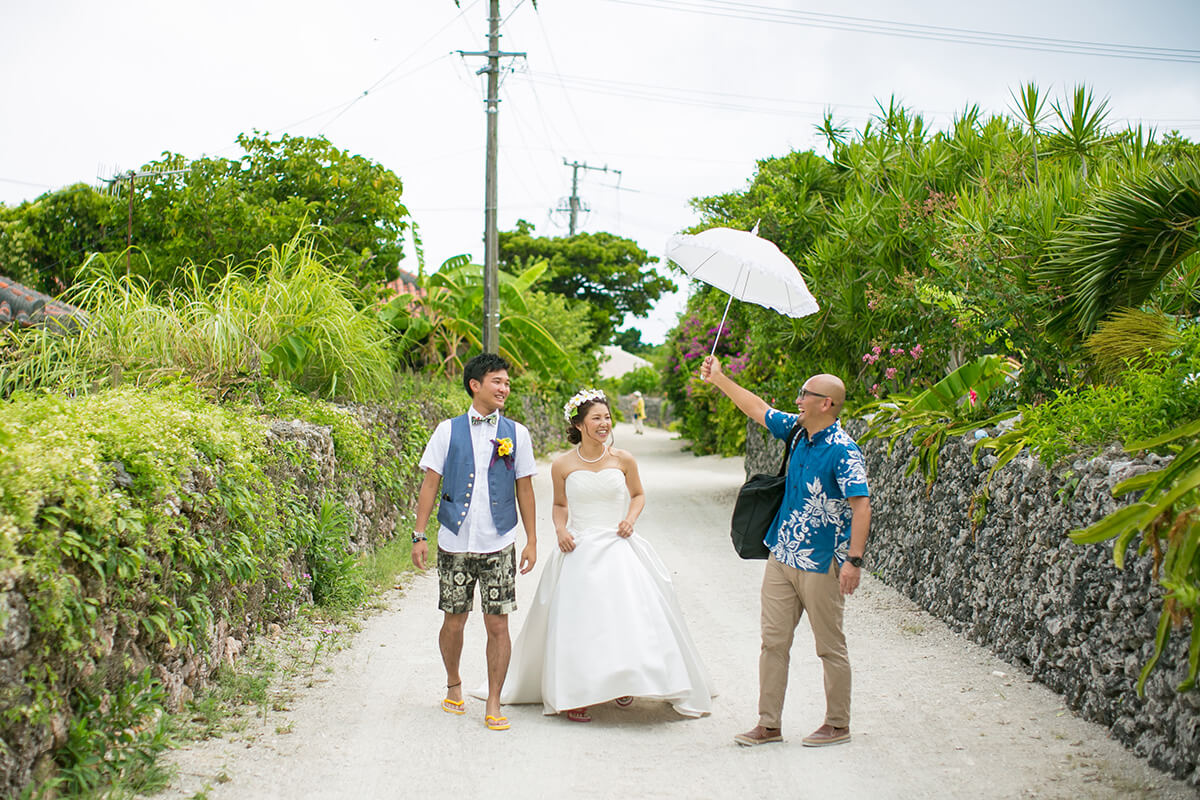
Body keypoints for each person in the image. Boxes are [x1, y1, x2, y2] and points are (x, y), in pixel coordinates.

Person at [476, 388, 714, 721]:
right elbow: (559, 505)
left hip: (619, 543)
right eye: (596, 419)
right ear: (579, 424)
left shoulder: (623, 459)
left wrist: (630, 520)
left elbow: (638, 495)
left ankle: (625, 680)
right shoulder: (562, 464)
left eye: (607, 417)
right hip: (579, 546)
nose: (604, 424)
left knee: (627, 614)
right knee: (581, 620)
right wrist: (560, 530)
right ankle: (575, 693)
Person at [700, 355, 871, 748]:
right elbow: (757, 408)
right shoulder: (796, 431)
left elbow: (861, 506)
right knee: (772, 642)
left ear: (825, 403)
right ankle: (769, 723)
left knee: (829, 645)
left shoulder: (844, 451)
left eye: (805, 394)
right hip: (783, 553)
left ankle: (837, 723)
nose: (798, 400)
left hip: (822, 559)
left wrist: (853, 562)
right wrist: (721, 379)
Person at [411, 353, 538, 732]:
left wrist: (532, 540)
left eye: (507, 383)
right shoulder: (447, 431)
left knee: (498, 625)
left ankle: (494, 701)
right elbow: (430, 483)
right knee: (454, 620)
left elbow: (525, 488)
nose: (504, 388)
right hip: (455, 540)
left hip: (499, 540)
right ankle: (453, 683)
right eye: (497, 381)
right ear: (475, 385)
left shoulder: (518, 434)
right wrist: (419, 535)